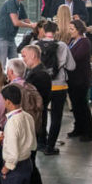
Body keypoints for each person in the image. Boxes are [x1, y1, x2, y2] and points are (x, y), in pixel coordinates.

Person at [33, 22, 75, 155]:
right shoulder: (62, 46)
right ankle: (50, 147)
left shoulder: (35, 45)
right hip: (59, 85)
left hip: (41, 84)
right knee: (56, 117)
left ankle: (40, 143)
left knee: (42, 113)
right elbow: (71, 66)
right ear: (56, 31)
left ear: (43, 31)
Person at [65, 19, 92, 142]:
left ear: (78, 30)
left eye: (72, 29)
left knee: (83, 106)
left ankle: (88, 132)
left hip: (81, 79)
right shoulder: (72, 41)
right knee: (76, 106)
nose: (70, 31)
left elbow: (75, 57)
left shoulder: (85, 42)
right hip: (72, 78)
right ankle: (78, 128)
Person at [0, 0, 35, 64]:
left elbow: (27, 20)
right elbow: (16, 22)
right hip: (2, 37)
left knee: (16, 62)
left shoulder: (20, 5)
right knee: (1, 63)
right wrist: (30, 25)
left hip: (11, 38)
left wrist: (35, 26)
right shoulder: (10, 2)